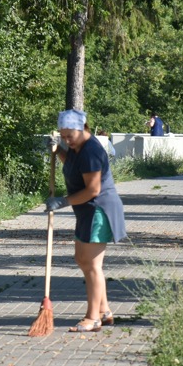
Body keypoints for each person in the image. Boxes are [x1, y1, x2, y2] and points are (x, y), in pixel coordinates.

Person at [45, 110, 127, 332]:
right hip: (86, 211)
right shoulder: (76, 148)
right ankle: (104, 311)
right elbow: (72, 164)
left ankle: (93, 318)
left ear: (83, 129)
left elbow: (93, 189)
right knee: (82, 259)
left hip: (99, 210)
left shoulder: (90, 151)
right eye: (63, 135)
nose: (67, 139)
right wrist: (59, 149)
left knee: (92, 265)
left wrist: (62, 202)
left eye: (70, 134)